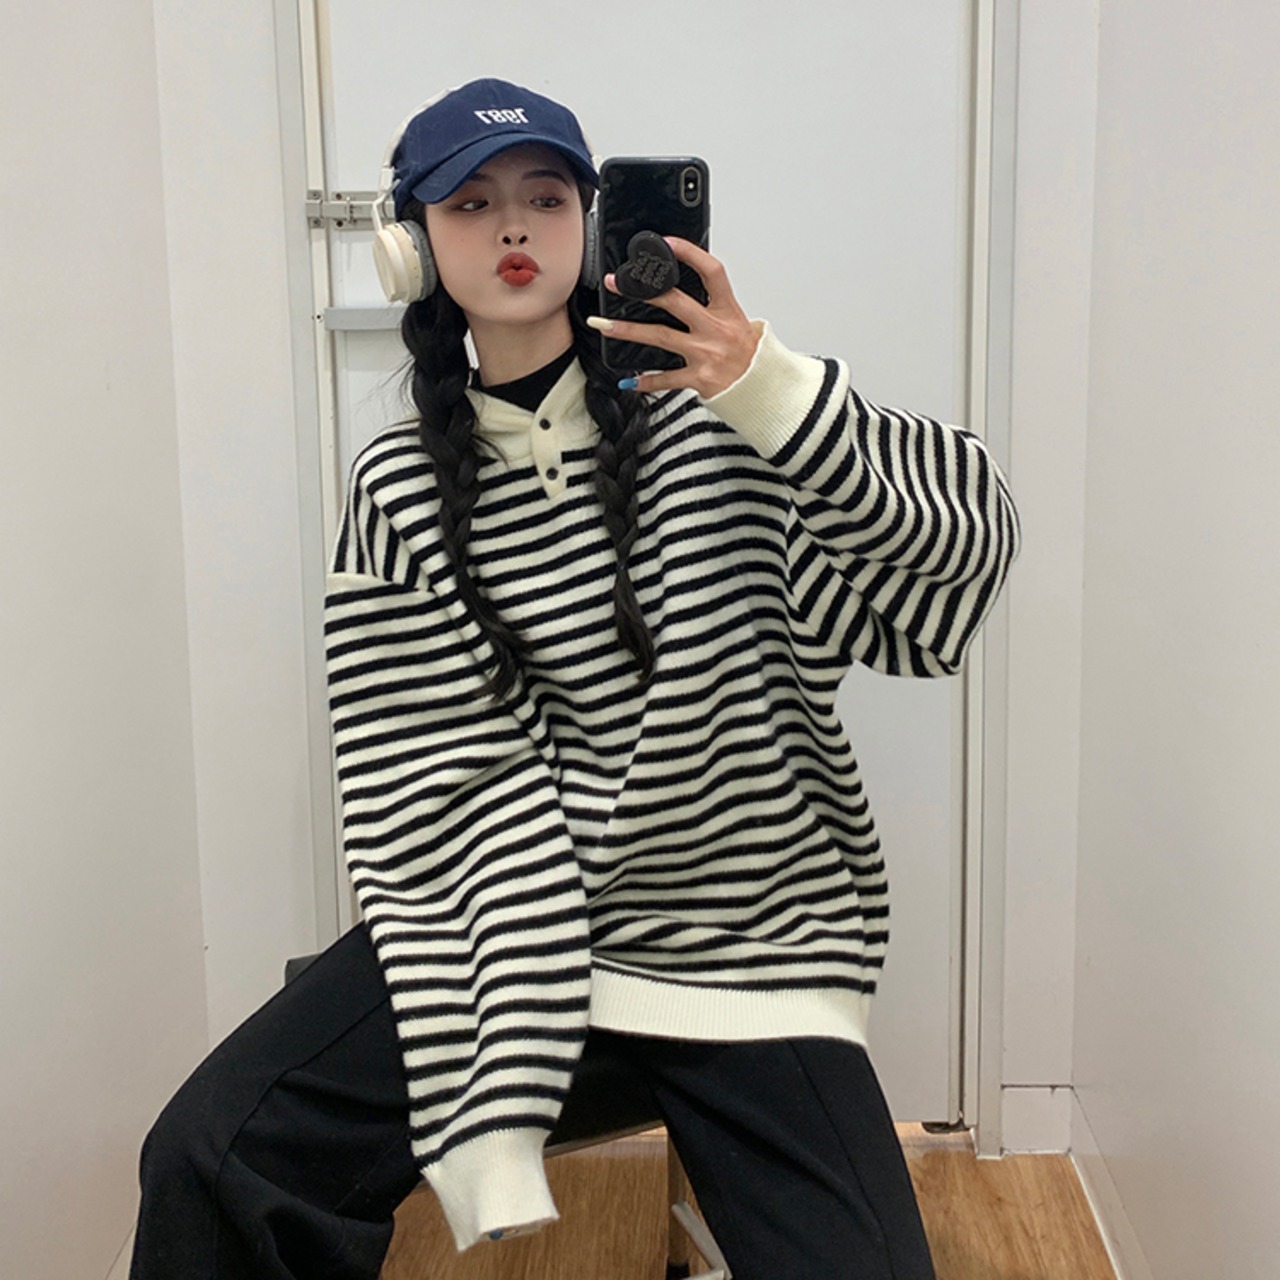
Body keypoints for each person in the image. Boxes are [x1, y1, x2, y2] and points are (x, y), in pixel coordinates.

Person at [129, 77, 1020, 1279]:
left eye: (544, 197)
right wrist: (502, 1025)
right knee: (208, 1150)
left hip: (743, 943)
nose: (511, 225)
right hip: (509, 930)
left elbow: (962, 557)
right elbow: (426, 774)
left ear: (592, 224)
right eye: (470, 202)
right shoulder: (399, 485)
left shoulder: (722, 419)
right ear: (410, 245)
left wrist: (771, 386)